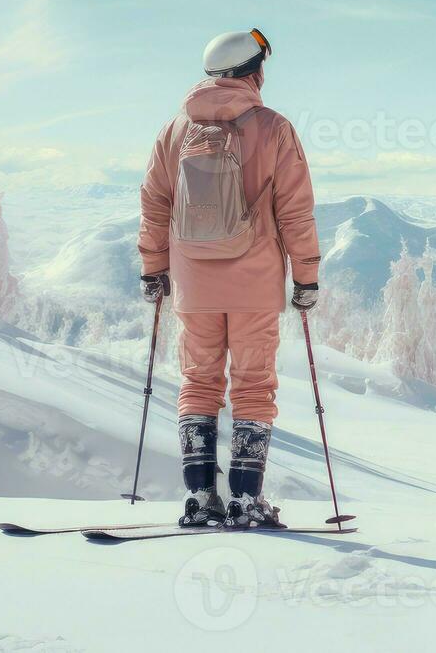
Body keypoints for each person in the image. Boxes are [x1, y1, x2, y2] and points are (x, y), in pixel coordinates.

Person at [137, 28, 321, 528]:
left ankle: (199, 498)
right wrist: (306, 277)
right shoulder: (273, 127)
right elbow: (295, 212)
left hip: (193, 283)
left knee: (198, 382)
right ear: (253, 71)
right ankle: (245, 499)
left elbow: (154, 204)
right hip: (254, 280)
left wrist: (155, 268)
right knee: (253, 385)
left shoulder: (174, 130)